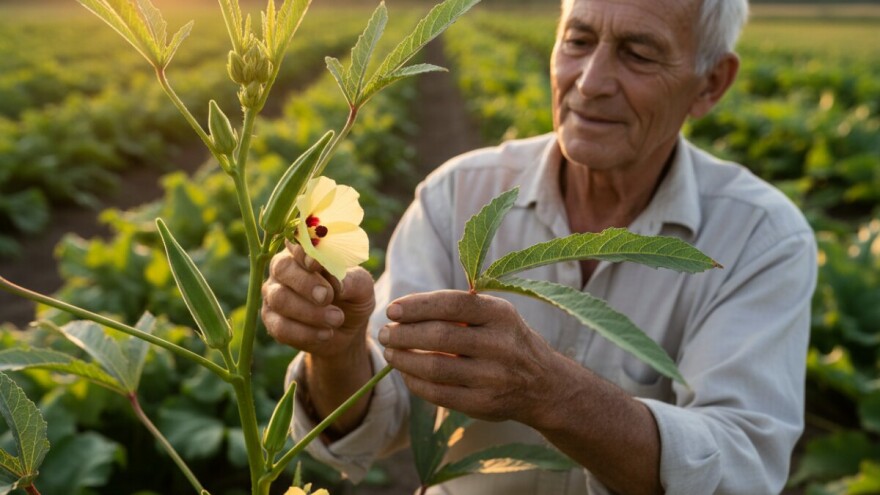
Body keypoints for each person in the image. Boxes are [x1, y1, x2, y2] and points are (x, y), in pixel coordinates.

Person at [261, 0, 817, 492]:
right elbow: (378, 420)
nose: (590, 81)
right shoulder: (458, 193)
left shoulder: (761, 237)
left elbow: (740, 468)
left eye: (638, 54)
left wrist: (553, 393)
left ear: (711, 83)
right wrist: (337, 350)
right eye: (578, 40)